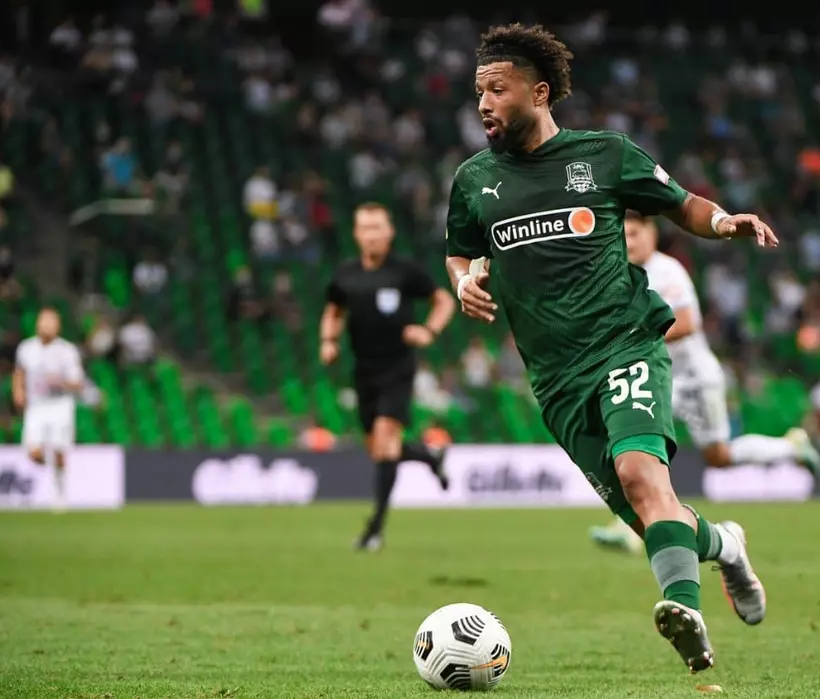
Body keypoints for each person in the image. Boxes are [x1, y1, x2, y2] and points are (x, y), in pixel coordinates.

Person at [445, 23, 774, 675]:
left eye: (497, 89)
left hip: (624, 344)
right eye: (478, 91)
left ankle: (685, 612)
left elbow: (681, 204)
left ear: (540, 93)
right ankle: (726, 544)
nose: (483, 103)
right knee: (650, 515)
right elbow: (460, 250)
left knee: (640, 474)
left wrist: (722, 222)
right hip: (555, 378)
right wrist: (464, 281)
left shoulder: (603, 155)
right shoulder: (474, 179)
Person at [590, 211, 820, 553]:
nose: (629, 242)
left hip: (695, 378)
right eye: (623, 235)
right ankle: (632, 526)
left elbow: (686, 323)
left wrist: (633, 337)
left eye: (635, 234)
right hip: (660, 378)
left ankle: (791, 448)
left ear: (652, 234)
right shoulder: (620, 274)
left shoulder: (666, 271)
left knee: (719, 456)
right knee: (637, 443)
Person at [320, 202, 456, 551]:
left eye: (378, 227)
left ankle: (375, 529)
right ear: (356, 234)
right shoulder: (345, 274)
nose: (372, 235)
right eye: (366, 228)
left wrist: (428, 331)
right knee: (379, 450)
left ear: (390, 231)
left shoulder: (405, 272)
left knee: (385, 439)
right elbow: (333, 310)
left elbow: (443, 301)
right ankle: (428, 456)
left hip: (397, 367)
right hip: (363, 370)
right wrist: (329, 341)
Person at [12, 308, 86, 511]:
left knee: (60, 451)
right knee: (33, 452)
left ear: (58, 326)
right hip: (36, 406)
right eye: (43, 321)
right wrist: (18, 391)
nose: (46, 325)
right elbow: (19, 372)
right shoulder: (26, 348)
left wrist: (61, 382)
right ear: (37, 324)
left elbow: (78, 383)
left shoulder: (67, 350)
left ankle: (60, 495)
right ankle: (49, 465)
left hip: (60, 406)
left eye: (51, 322)